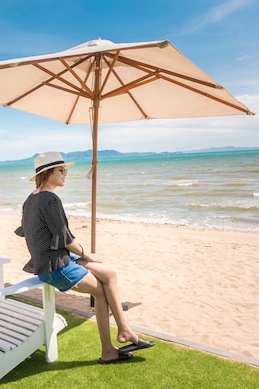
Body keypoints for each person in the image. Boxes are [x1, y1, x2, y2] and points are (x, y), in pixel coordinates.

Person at [16, 151, 154, 364]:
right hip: (57, 267)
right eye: (62, 170)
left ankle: (125, 330)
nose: (65, 174)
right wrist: (86, 254)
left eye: (66, 170)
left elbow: (32, 233)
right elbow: (64, 239)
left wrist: (77, 254)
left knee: (110, 273)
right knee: (101, 293)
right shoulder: (50, 199)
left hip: (52, 261)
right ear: (48, 172)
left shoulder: (30, 200)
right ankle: (110, 348)